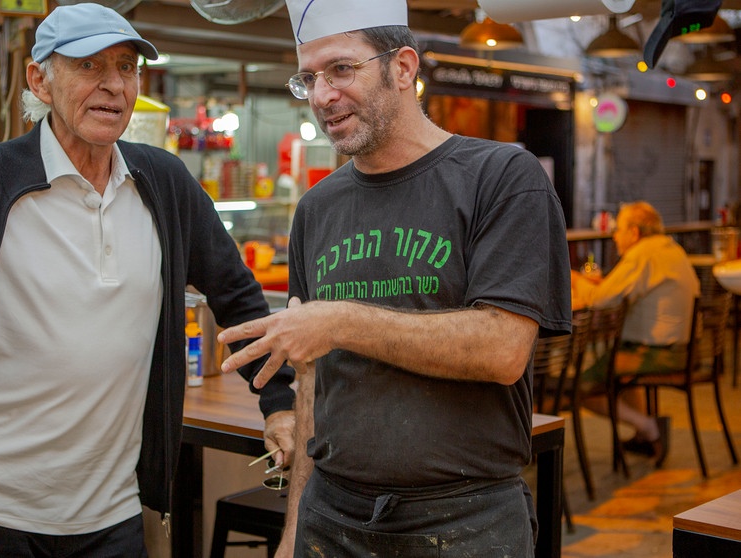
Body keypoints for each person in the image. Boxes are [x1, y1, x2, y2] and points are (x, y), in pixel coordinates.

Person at [0, 4, 295, 556]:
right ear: (39, 80)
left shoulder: (164, 184)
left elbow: (240, 300)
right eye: (89, 67)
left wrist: (280, 402)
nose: (113, 85)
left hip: (113, 514)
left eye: (126, 67)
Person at [217, 0, 572, 556]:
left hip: (468, 522)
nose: (321, 96)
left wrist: (339, 320)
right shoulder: (316, 208)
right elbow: (313, 383)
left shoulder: (502, 177)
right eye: (308, 78)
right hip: (331, 519)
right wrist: (293, 530)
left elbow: (504, 348)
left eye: (340, 69)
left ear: (403, 67)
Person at [571, 201, 700, 465]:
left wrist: (574, 278)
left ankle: (649, 427)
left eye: (619, 229)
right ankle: (644, 433)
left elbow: (598, 299)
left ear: (635, 232)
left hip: (657, 353)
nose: (614, 235)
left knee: (578, 389)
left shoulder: (642, 254)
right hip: (682, 348)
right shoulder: (669, 248)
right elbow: (618, 288)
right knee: (619, 362)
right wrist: (599, 283)